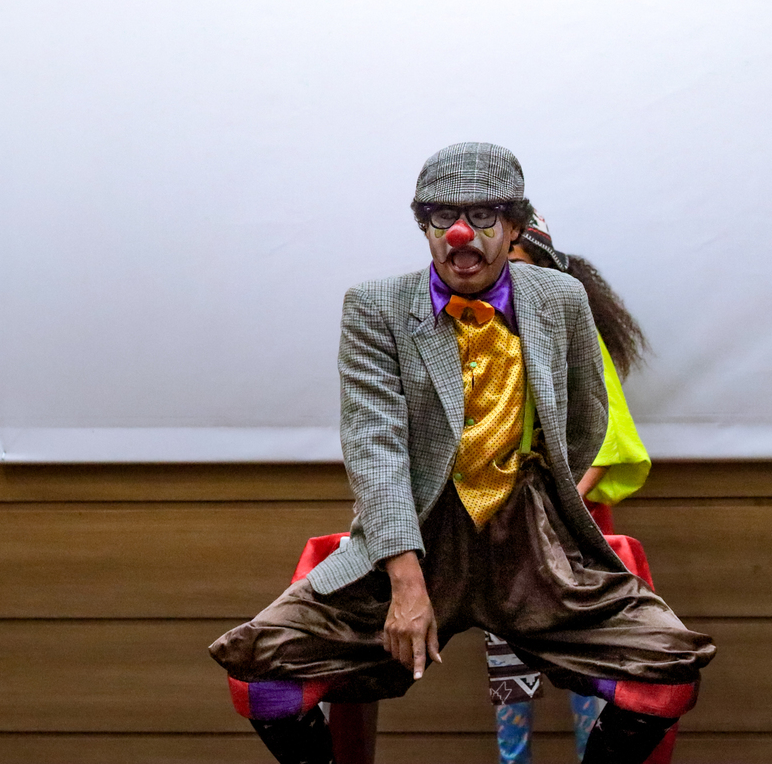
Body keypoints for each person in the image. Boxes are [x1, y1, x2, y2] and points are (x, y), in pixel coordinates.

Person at [209, 142, 715, 764]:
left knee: (667, 669)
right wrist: (405, 582)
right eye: (442, 215)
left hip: (528, 537)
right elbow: (375, 449)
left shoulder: (560, 299)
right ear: (424, 226)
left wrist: (545, 506)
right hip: (418, 535)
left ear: (515, 225)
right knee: (262, 671)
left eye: (482, 215)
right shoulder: (375, 306)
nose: (459, 233)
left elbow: (587, 421)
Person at [488, 215, 657, 763]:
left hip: (573, 529)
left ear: (548, 272)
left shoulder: (577, 336)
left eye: (516, 263)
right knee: (509, 665)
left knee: (587, 660)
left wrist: (558, 503)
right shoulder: (476, 340)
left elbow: (608, 444)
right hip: (506, 528)